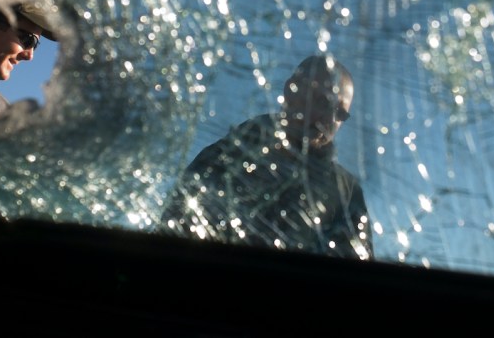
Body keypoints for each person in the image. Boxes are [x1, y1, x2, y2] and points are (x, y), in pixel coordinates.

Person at [159, 55, 374, 260]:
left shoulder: (346, 194)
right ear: (292, 90)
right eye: (323, 102)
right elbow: (171, 233)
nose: (329, 119)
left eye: (340, 114)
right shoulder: (225, 157)